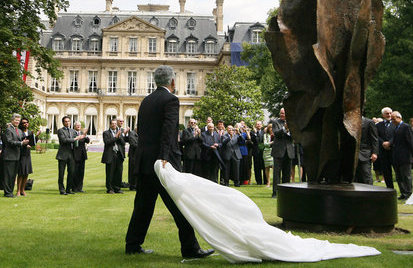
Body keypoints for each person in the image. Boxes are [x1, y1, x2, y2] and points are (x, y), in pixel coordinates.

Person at [154, 161, 380, 262]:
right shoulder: (186, 185)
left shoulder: (183, 190)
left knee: (256, 231)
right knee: (256, 231)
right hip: (237, 211)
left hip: (237, 211)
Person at [125, 65, 213, 258]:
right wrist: (165, 157)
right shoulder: (171, 100)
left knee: (142, 206)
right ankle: (190, 248)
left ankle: (132, 244)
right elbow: (168, 131)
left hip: (145, 162)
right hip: (163, 162)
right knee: (180, 204)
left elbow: (144, 132)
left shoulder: (146, 101)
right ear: (172, 82)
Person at [391, 111, 413, 200]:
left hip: (405, 156)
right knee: (399, 176)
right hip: (396, 156)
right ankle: (403, 192)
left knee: (406, 176)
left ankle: (408, 193)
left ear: (399, 118)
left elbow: (411, 142)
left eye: (393, 119)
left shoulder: (406, 127)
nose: (392, 121)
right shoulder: (395, 128)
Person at [57, 116, 85, 195]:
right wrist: (75, 139)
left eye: (69, 121)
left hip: (72, 154)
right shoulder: (60, 131)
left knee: (71, 172)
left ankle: (68, 189)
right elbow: (64, 140)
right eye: (66, 121)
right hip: (63, 154)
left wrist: (82, 138)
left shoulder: (73, 131)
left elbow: (77, 141)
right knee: (61, 174)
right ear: (63, 122)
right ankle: (62, 190)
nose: (67, 123)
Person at [3, 114, 29, 197]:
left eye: (18, 121)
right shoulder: (8, 130)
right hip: (9, 156)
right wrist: (21, 143)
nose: (17, 122)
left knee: (13, 175)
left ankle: (10, 191)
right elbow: (9, 142)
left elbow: (22, 139)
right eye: (16, 120)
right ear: (12, 121)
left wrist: (27, 142)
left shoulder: (19, 131)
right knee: (8, 175)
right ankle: (7, 192)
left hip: (17, 156)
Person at [271, 108, 295, 198]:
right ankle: (275, 193)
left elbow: (294, 135)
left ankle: (286, 193)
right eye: (281, 113)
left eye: (283, 113)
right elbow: (276, 133)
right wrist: (284, 129)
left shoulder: (292, 123)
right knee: (277, 174)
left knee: (287, 174)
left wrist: (288, 131)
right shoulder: (275, 122)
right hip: (278, 151)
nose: (282, 115)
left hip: (289, 151)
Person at [102, 119, 126, 194]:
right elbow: (107, 142)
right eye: (112, 123)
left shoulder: (119, 132)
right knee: (110, 173)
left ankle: (117, 188)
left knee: (118, 172)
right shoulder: (106, 133)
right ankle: (110, 189)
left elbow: (123, 143)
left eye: (115, 123)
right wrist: (115, 137)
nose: (114, 125)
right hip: (110, 154)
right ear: (110, 124)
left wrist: (119, 137)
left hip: (118, 154)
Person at [17, 118, 39, 196]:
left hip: (27, 155)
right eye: (23, 123)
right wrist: (25, 145)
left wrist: (36, 136)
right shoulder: (19, 132)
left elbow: (33, 143)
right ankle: (18, 190)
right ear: (21, 124)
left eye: (26, 122)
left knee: (26, 173)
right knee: (21, 173)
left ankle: (23, 190)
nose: (25, 124)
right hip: (21, 154)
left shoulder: (30, 132)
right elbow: (19, 142)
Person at [354, 116, 379, 185]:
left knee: (366, 174)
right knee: (354, 176)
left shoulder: (369, 122)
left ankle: (369, 192)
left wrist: (375, 153)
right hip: (352, 154)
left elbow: (374, 139)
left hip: (365, 153)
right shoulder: (350, 122)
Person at [376, 107, 395, 188]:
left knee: (398, 171)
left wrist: (389, 143)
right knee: (386, 171)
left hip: (394, 150)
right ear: (383, 115)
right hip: (383, 151)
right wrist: (383, 143)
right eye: (387, 113)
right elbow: (376, 136)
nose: (389, 115)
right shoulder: (378, 125)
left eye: (390, 113)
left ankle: (404, 190)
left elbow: (397, 135)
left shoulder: (395, 124)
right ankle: (389, 188)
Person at [72, 121, 90, 193]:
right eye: (77, 125)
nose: (78, 126)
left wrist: (85, 135)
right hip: (75, 154)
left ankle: (80, 187)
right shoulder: (72, 133)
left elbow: (87, 141)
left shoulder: (82, 133)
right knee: (75, 172)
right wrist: (80, 138)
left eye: (79, 125)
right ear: (74, 126)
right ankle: (74, 187)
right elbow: (75, 141)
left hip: (82, 155)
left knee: (81, 172)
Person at [250, 120, 266, 185]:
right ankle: (259, 181)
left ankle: (265, 181)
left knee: (264, 167)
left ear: (261, 125)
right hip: (256, 152)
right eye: (257, 124)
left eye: (260, 124)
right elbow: (256, 141)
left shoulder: (264, 132)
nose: (258, 125)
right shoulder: (252, 133)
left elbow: (262, 140)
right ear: (255, 125)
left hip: (263, 152)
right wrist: (256, 133)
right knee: (257, 168)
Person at [262, 123, 274, 187]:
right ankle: (268, 182)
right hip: (266, 152)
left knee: (274, 166)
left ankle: (275, 181)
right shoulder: (265, 135)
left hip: (273, 152)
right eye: (270, 128)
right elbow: (265, 144)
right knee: (267, 168)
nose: (271, 129)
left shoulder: (275, 134)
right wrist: (271, 142)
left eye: (272, 127)